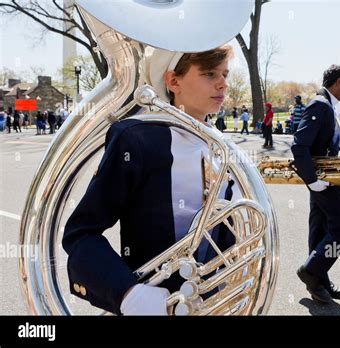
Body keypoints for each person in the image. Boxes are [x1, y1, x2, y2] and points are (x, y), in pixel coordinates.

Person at [62, 45, 238, 316]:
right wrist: (129, 295)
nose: (223, 83)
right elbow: (81, 233)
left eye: (225, 74)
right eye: (210, 74)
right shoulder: (137, 138)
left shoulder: (222, 147)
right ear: (173, 81)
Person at [291, 65, 340, 303]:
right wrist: (312, 181)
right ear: (338, 82)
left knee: (320, 231)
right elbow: (299, 146)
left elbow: (324, 144)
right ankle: (310, 271)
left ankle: (319, 282)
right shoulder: (320, 104)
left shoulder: (327, 105)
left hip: (325, 177)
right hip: (321, 180)